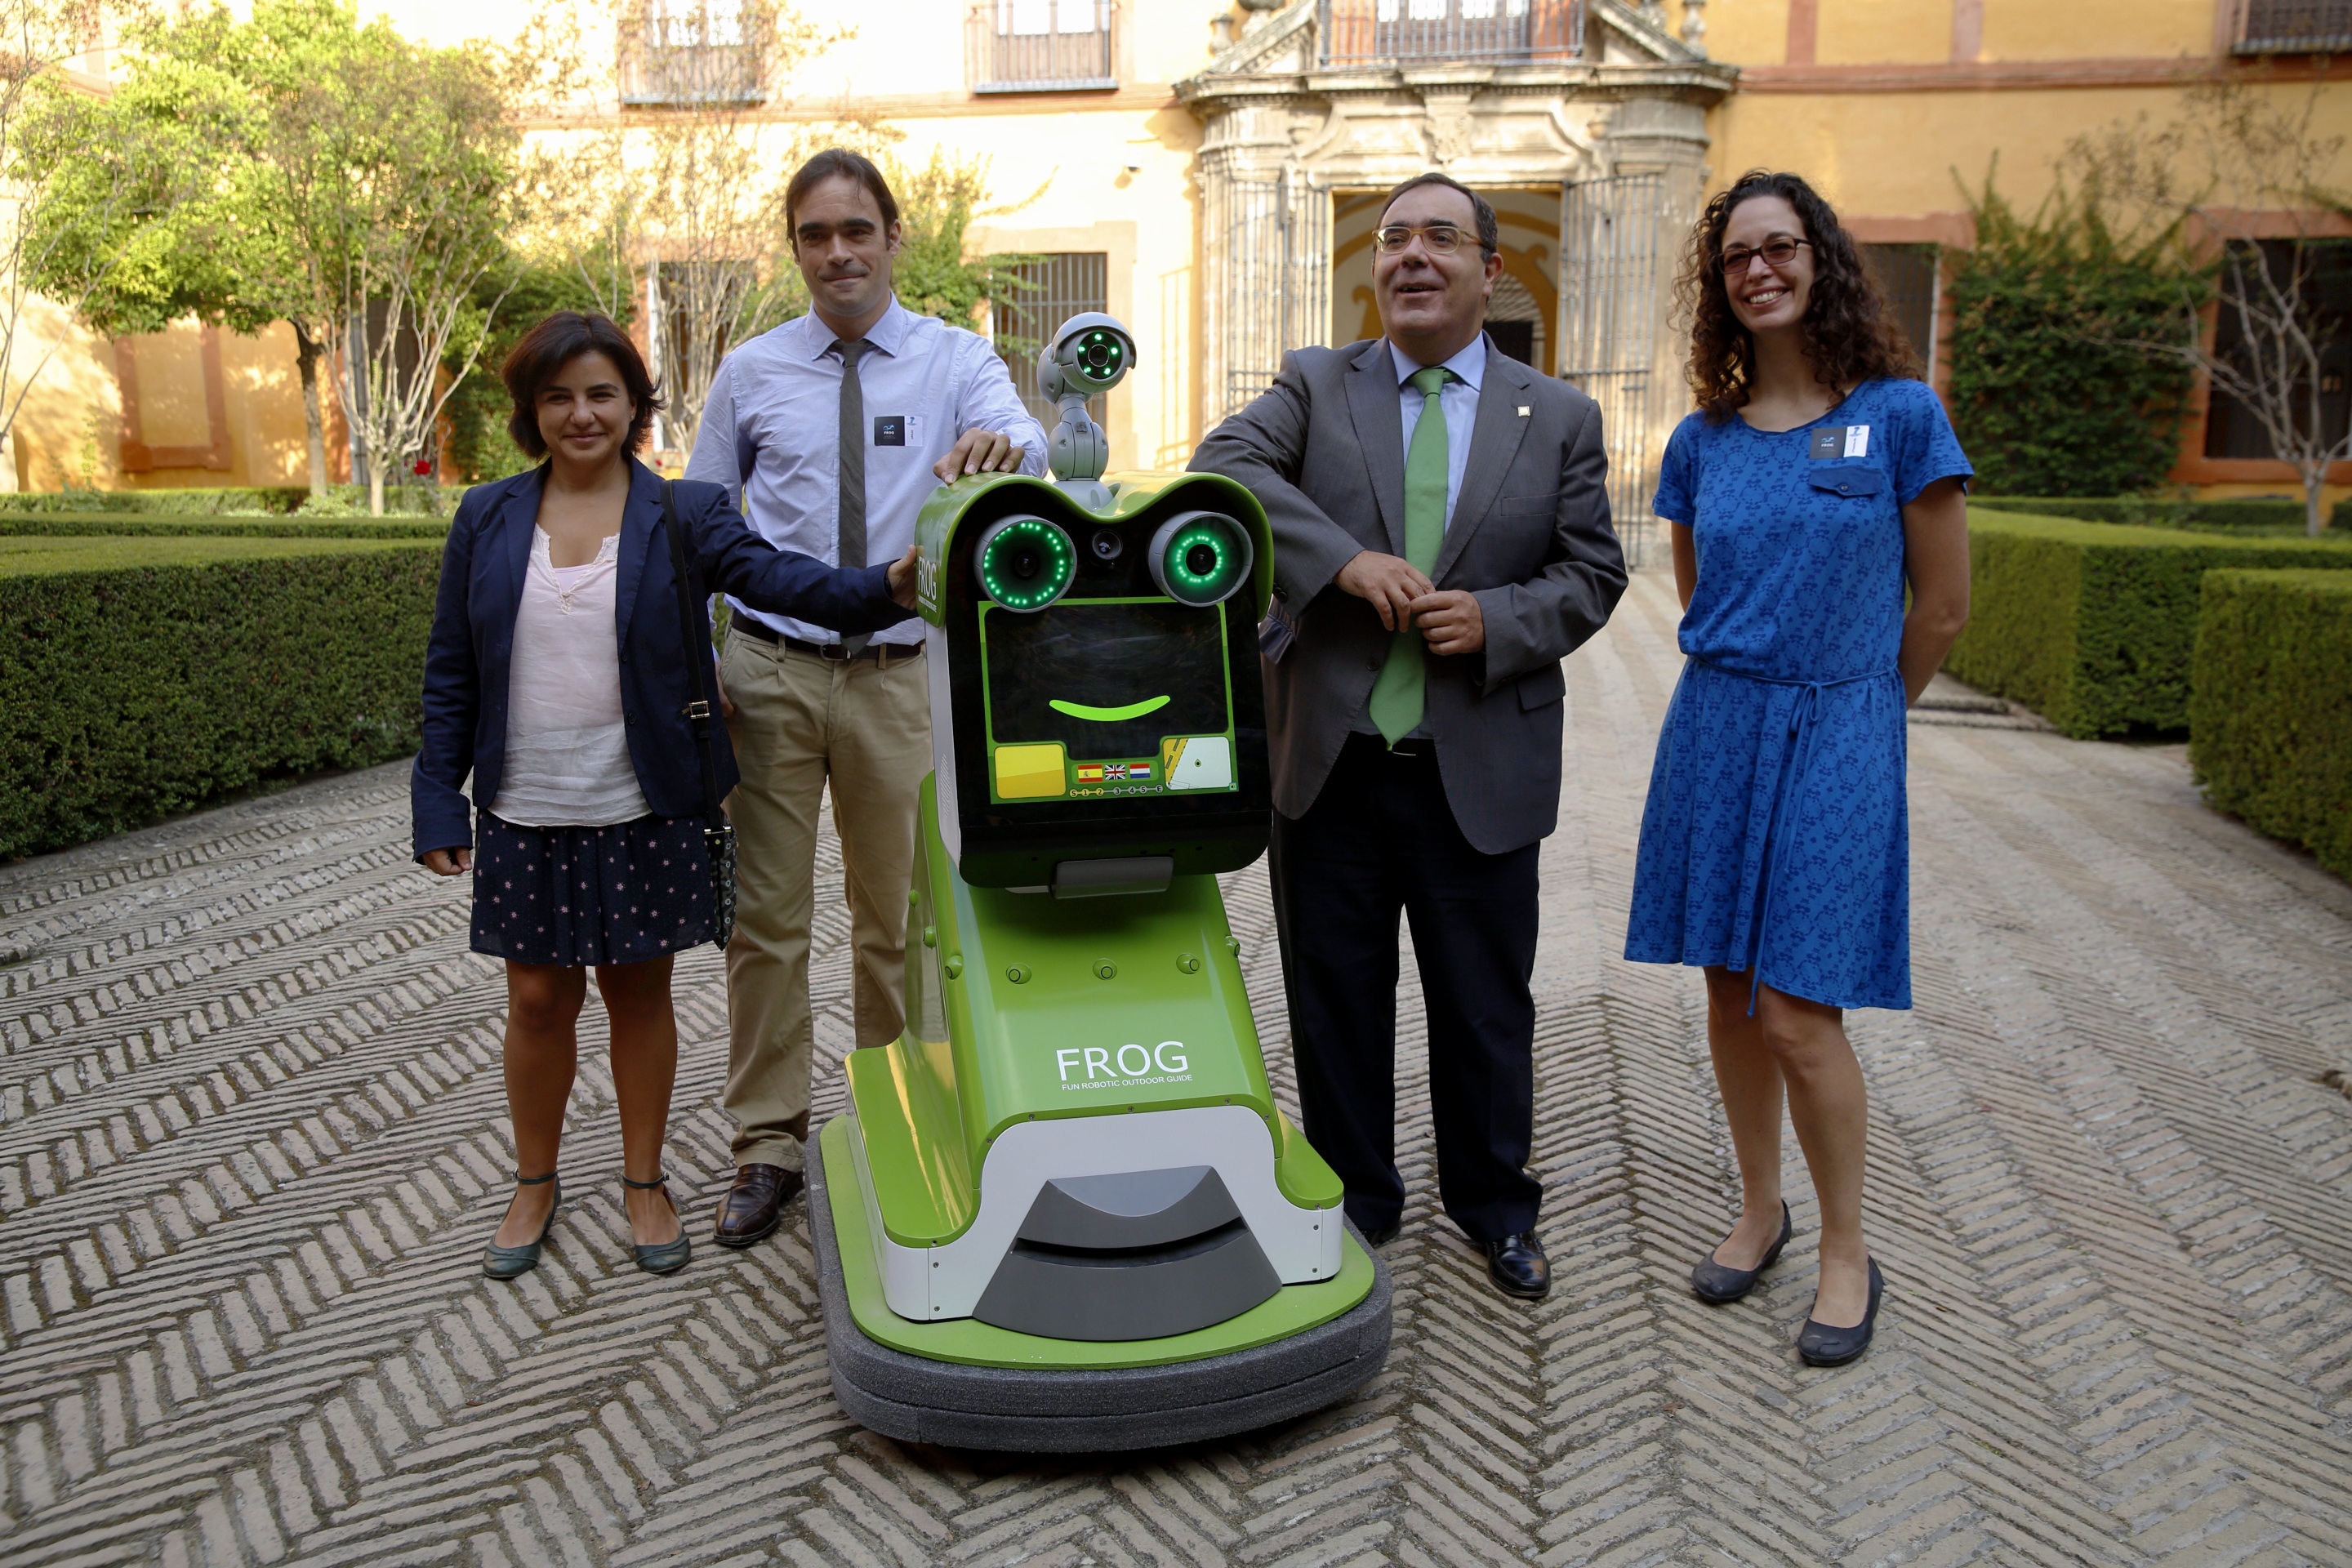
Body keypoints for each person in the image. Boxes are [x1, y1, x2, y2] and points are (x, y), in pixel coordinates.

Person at [1191, 172, 1625, 1302]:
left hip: (1479, 764)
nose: (1412, 256)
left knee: (1484, 1007)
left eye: (1441, 237)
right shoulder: (1314, 385)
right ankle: (1357, 1202)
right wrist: (1341, 561)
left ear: (1491, 269)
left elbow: (1592, 573)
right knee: (1335, 1002)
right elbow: (1222, 470)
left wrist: (1498, 621)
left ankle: (1495, 1207)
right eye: (1394, 239)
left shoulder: (1559, 416)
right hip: (1330, 763)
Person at [413, 311, 917, 1280]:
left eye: (601, 393)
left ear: (634, 405)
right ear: (531, 411)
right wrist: (438, 796)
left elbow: (776, 578)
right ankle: (533, 1183)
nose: (581, 414)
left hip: (641, 796)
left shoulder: (682, 514)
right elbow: (451, 667)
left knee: (638, 992)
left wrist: (882, 588)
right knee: (535, 1000)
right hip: (523, 801)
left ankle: (646, 1183)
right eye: (558, 397)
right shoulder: (486, 516)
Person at [1624, 170, 1971, 1366]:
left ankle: (1847, 1249)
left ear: (1821, 261)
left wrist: (1865, 721)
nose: (1758, 270)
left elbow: (1942, 609)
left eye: (1780, 247)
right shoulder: (1701, 440)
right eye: (1736, 257)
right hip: (1718, 726)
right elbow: (1701, 598)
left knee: (1797, 1010)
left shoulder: (1902, 416)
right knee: (1728, 990)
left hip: (1842, 725)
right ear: (1718, 284)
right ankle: (1759, 1208)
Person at [687, 149, 1048, 1249]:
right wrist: (700, 665)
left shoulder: (955, 359)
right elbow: (699, 520)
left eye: (857, 230)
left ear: (894, 237)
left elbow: (1028, 443)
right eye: (815, 234)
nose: (837, 252)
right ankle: (766, 1145)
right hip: (772, 675)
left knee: (902, 922)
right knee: (765, 925)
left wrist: (1003, 447)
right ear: (794, 248)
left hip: (899, 679)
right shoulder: (752, 371)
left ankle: (905, 1119)